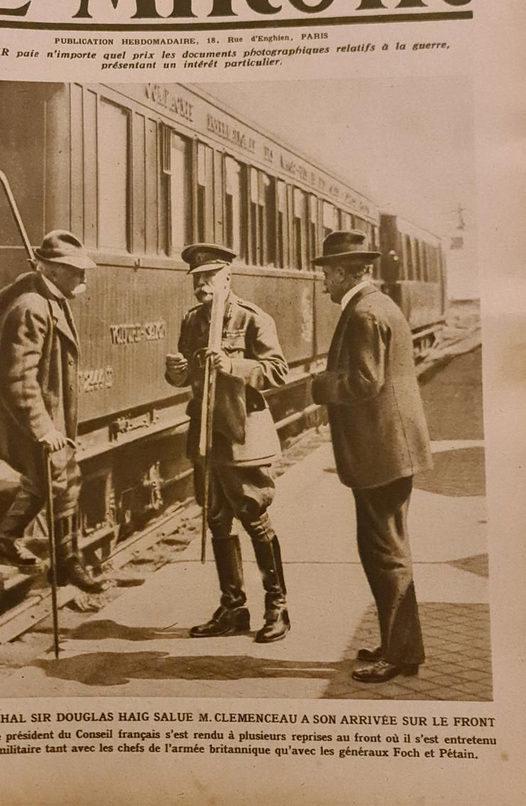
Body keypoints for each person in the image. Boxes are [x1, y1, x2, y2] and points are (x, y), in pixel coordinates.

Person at [311, 230, 433, 683]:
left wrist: (321, 385)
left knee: (386, 555)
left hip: (382, 453)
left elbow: (364, 382)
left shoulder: (363, 313)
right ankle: (398, 645)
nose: (324, 282)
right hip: (390, 451)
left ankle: (399, 656)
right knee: (386, 551)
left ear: (345, 273)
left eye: (327, 273)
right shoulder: (379, 305)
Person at [165, 243, 290, 643]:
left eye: (209, 277)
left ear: (227, 277)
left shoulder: (253, 318)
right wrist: (177, 372)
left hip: (243, 435)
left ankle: (278, 608)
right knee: (217, 519)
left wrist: (234, 365)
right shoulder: (193, 321)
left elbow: (278, 371)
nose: (201, 286)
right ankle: (233, 607)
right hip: (207, 435)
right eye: (197, 279)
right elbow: (187, 377)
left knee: (254, 516)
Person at [0, 229, 104, 593]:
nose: (83, 276)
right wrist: (44, 429)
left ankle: (48, 553)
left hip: (32, 408)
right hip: (11, 412)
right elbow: (16, 378)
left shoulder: (49, 297)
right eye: (76, 270)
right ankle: (61, 557)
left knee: (57, 474)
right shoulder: (31, 307)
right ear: (54, 271)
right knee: (59, 472)